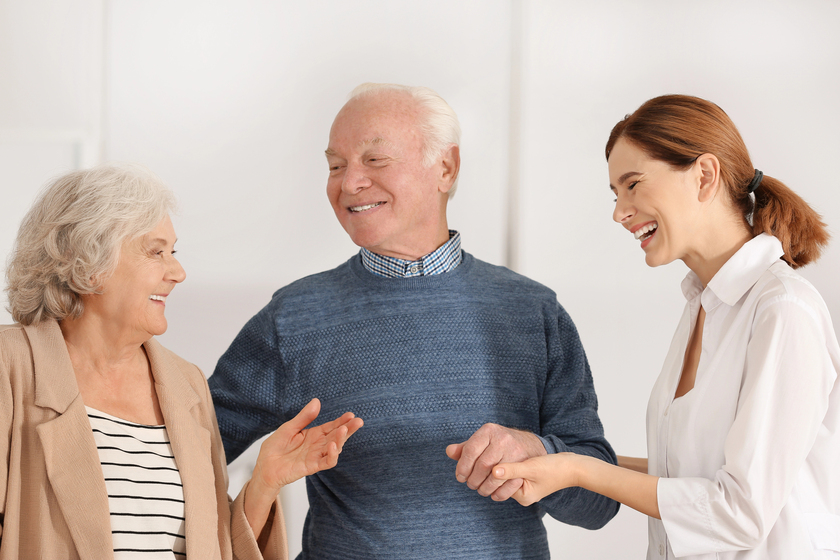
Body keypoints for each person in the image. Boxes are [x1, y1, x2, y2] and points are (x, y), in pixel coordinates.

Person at [208, 82, 619, 560]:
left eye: (374, 160)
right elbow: (185, 458)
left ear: (446, 167)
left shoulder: (534, 312)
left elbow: (599, 502)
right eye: (335, 166)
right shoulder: (294, 318)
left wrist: (539, 453)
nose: (349, 182)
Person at [492, 94, 840, 559]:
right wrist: (550, 457)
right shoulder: (703, 305)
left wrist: (579, 470)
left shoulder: (783, 309)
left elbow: (740, 514)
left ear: (704, 175)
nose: (620, 212)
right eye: (616, 195)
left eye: (633, 185)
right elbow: (682, 478)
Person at [0, 164, 363, 559]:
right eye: (156, 252)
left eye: (173, 252)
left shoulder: (185, 384)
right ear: (88, 265)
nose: (178, 272)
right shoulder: (12, 366)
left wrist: (265, 481)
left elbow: (213, 546)